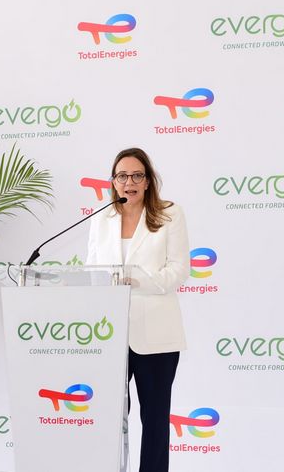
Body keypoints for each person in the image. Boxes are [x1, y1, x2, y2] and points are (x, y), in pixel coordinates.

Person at [87, 148, 189, 472]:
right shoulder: (101, 219)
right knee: (109, 419)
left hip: (156, 335)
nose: (128, 182)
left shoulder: (169, 214)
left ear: (147, 181)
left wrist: (137, 280)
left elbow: (179, 271)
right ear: (113, 182)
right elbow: (91, 271)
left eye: (136, 175)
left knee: (155, 421)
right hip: (110, 334)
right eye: (122, 176)